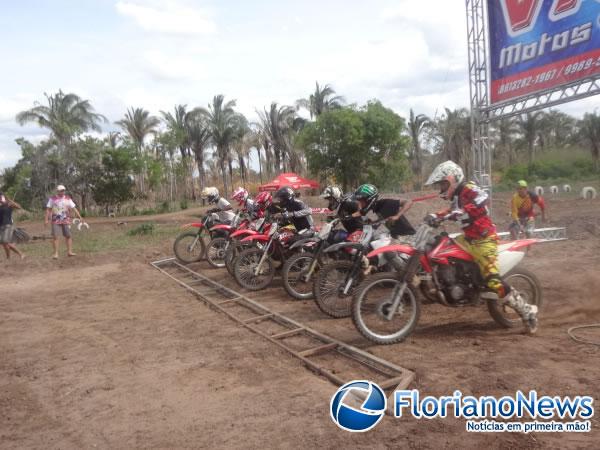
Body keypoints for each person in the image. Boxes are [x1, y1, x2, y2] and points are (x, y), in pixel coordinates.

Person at [424, 160, 538, 334]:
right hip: (468, 239)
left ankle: (526, 311)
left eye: (443, 183)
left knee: (493, 281)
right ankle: (456, 284)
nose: (441, 187)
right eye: (440, 184)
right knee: (438, 247)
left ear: (453, 179)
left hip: (484, 240)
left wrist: (461, 211)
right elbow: (451, 210)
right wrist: (435, 215)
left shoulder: (469, 188)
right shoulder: (457, 196)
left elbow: (483, 198)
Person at [352, 184, 415, 272]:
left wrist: (397, 216)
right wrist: (373, 222)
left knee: (388, 252)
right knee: (374, 244)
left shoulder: (386, 203)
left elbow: (409, 201)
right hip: (395, 236)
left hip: (407, 237)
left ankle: (406, 274)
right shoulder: (376, 208)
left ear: (369, 200)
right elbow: (383, 218)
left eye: (361, 201)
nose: (360, 204)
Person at [45, 185, 83, 259]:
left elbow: (74, 208)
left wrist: (80, 217)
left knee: (68, 236)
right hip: (55, 220)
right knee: (55, 236)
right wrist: (46, 219)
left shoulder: (68, 199)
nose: (62, 192)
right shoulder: (52, 199)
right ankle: (56, 253)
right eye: (61, 190)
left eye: (63, 190)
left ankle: (69, 252)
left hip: (66, 220)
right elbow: (48, 209)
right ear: (57, 191)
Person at [0, 192, 25, 259]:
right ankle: (8, 257)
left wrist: (10, 201)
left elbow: (19, 207)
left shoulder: (8, 204)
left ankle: (21, 254)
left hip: (8, 225)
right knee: (3, 243)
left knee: (6, 242)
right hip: (1, 226)